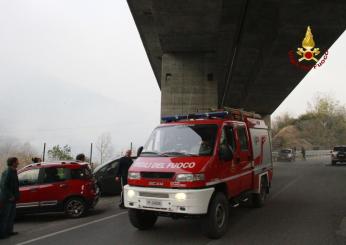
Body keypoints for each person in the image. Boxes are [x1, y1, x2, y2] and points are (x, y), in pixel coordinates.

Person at [0, 157, 20, 239]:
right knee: (5, 216)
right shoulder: (7, 172)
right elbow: (3, 186)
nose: (18, 163)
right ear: (13, 163)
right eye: (17, 162)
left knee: (11, 216)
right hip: (7, 198)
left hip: (13, 198)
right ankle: (2, 234)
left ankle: (9, 231)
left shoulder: (14, 171)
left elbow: (15, 185)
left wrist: (16, 195)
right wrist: (10, 196)